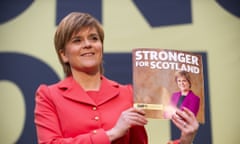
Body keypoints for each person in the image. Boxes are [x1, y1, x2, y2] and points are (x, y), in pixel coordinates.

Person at [34, 12, 199, 144]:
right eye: (77, 40)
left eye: (94, 38)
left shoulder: (127, 93)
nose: (88, 44)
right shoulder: (48, 95)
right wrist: (111, 134)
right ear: (64, 55)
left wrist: (185, 141)